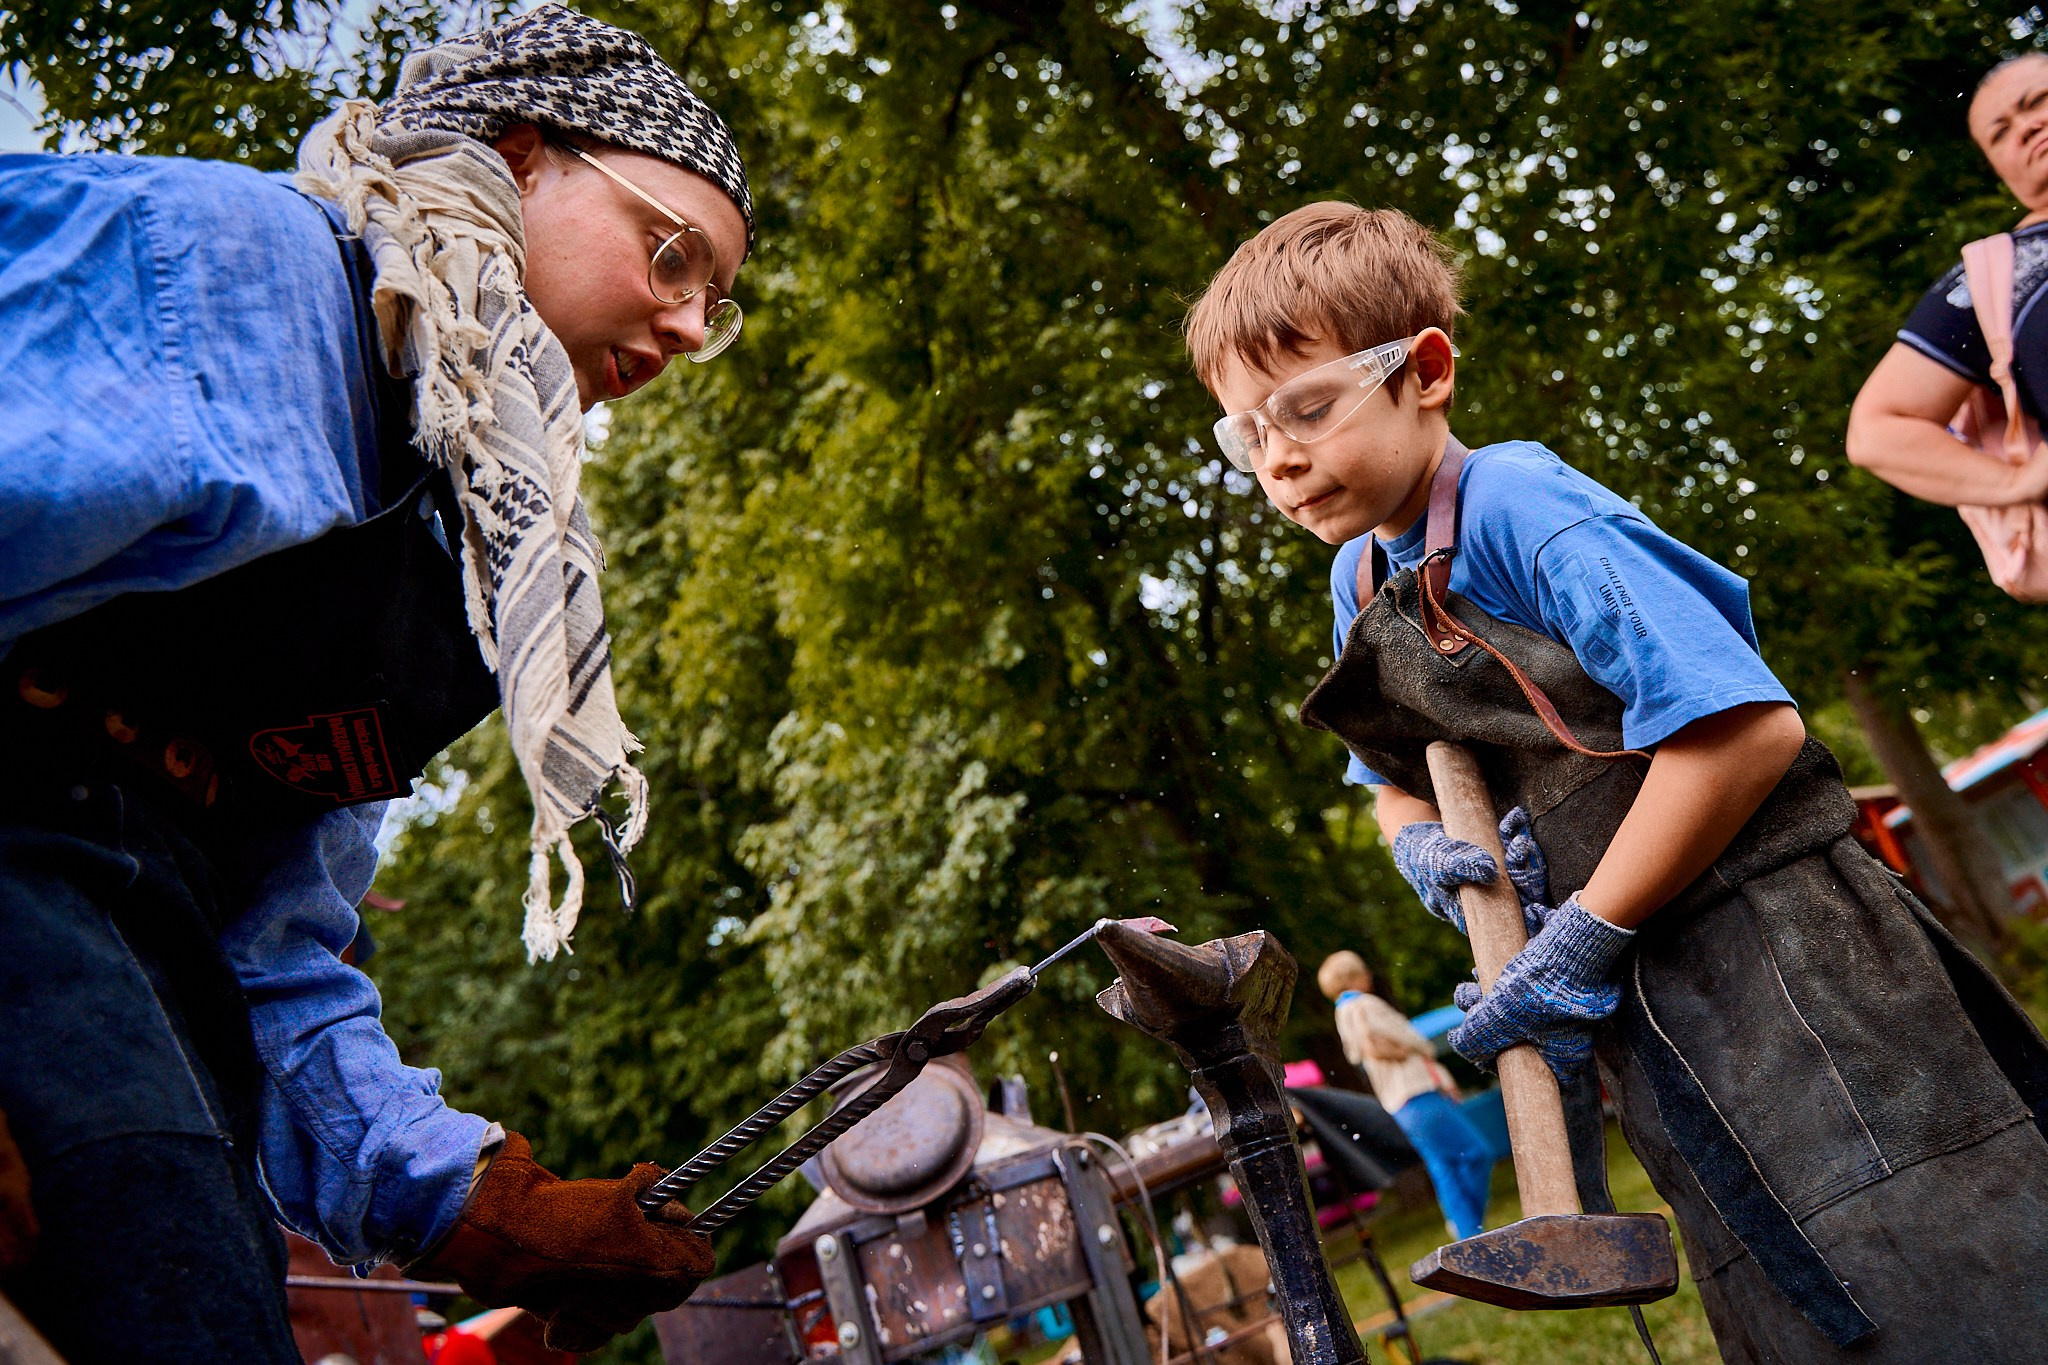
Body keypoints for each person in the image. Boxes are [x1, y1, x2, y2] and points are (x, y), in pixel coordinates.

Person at [0, 6, 748, 1360]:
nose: (692, 324)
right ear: (523, 160)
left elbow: (275, 951)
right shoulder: (233, 269)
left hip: (140, 992)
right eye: (672, 253)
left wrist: (475, 1203)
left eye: (718, 299)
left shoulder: (435, 551)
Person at [1184, 202, 2048, 1362]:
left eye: (1305, 407)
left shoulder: (1523, 513)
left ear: (1424, 373)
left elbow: (1742, 732)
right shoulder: (1360, 581)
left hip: (1792, 963)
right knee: (1785, 1289)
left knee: (1936, 1254)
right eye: (1245, 435)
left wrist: (1583, 930)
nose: (1277, 456)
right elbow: (1391, 777)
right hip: (1652, 1007)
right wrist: (1414, 842)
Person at [1847, 53, 2048, 507]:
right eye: (2001, 133)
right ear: (1998, 168)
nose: (2026, 127)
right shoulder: (1998, 276)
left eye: (2039, 101)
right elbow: (1878, 430)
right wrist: (2014, 484)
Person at [1315, 950, 1493, 1241]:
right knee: (1476, 1154)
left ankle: (1468, 1234)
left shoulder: (1342, 1012)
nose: (1368, 976)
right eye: (1362, 971)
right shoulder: (1364, 1005)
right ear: (1350, 977)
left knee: (1444, 1168)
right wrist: (1419, 1049)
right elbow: (1403, 1043)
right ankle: (1470, 1227)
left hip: (1400, 1104)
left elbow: (1362, 1050)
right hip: (1418, 1093)